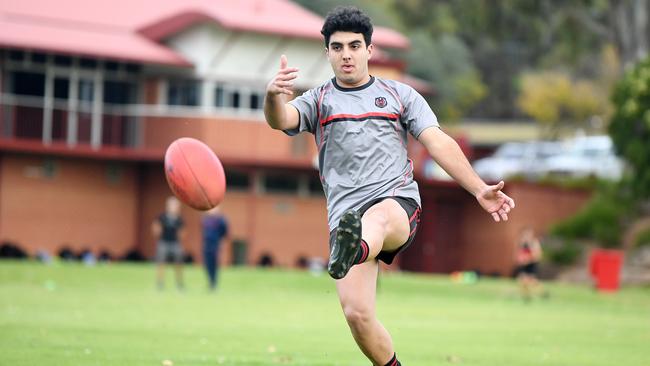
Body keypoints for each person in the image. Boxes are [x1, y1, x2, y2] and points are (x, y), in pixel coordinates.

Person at [263, 6, 515, 365]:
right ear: (328, 53)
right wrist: (274, 95)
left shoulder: (400, 96)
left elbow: (437, 141)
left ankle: (354, 249)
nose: (346, 54)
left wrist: (477, 188)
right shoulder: (319, 100)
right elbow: (282, 119)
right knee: (358, 317)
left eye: (354, 46)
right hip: (346, 220)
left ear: (369, 50)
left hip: (396, 205)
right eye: (338, 48)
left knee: (377, 219)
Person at [152, 196, 186, 291]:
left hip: (175, 243)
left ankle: (179, 284)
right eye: (172, 205)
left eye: (175, 205)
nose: (173, 207)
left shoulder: (179, 219)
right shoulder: (162, 217)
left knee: (179, 264)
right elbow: (155, 227)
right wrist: (157, 234)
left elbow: (182, 232)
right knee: (161, 263)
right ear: (167, 206)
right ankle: (160, 283)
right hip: (163, 243)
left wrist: (180, 240)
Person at [201, 205, 230, 291]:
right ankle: (210, 281)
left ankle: (214, 282)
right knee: (207, 265)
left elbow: (225, 232)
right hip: (207, 245)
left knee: (215, 265)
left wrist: (222, 242)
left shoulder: (221, 220)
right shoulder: (205, 219)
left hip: (215, 245)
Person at [514, 227, 545, 301]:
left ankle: (543, 293)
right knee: (522, 281)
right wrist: (520, 260)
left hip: (532, 264)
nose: (526, 236)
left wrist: (528, 260)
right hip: (524, 265)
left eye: (528, 234)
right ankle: (526, 296)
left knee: (532, 281)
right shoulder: (522, 243)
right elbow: (519, 254)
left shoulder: (534, 243)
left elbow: (538, 256)